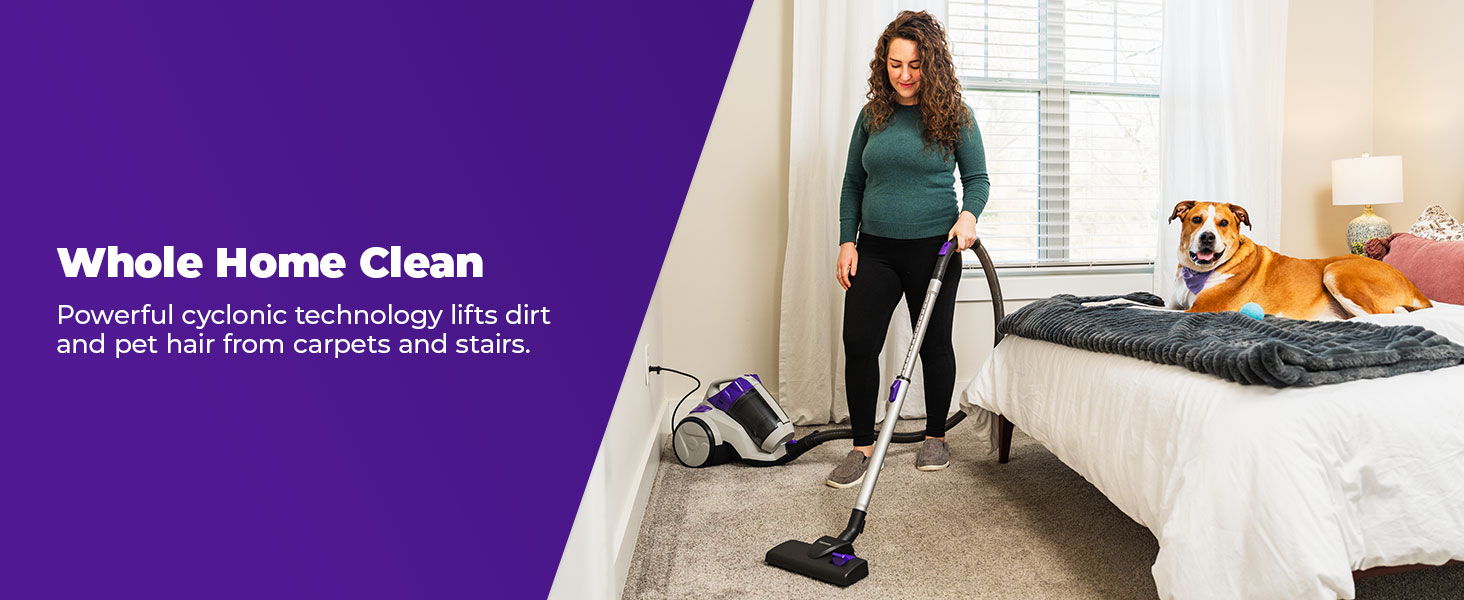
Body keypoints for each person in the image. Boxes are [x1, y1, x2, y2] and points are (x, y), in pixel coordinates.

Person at [826, 11, 988, 488]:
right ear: (884, 63)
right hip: (874, 249)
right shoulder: (872, 115)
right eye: (895, 63)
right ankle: (861, 445)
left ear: (932, 64)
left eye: (915, 64)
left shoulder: (955, 114)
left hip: (934, 250)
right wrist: (846, 241)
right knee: (859, 343)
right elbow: (853, 183)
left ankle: (935, 436)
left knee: (934, 345)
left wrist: (968, 216)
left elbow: (977, 180)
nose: (904, 74)